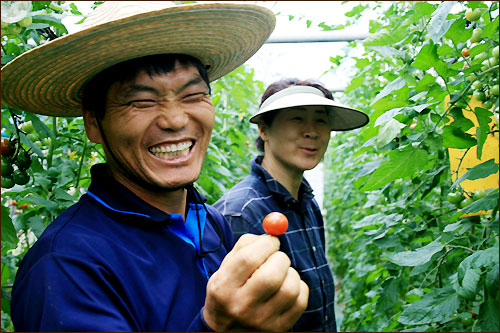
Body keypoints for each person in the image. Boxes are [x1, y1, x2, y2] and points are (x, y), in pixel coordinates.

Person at [2, 3, 309, 331]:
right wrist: (219, 327)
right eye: (142, 102)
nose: (176, 120)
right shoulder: (65, 269)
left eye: (193, 95)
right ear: (93, 122)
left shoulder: (208, 222)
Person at [214, 78, 369, 331]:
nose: (312, 131)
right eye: (297, 118)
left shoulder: (306, 202)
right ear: (264, 129)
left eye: (321, 119)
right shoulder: (241, 213)